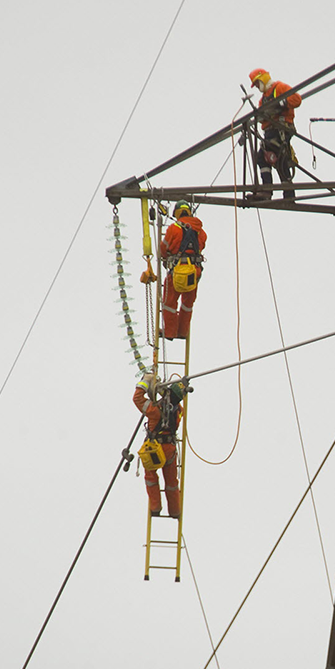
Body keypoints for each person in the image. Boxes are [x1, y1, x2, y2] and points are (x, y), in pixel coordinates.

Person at [133, 375, 188, 518]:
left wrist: (146, 381)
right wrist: (161, 390)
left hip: (155, 449)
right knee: (171, 482)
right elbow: (173, 401)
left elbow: (137, 399)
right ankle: (175, 511)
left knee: (151, 477)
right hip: (170, 450)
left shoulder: (155, 411)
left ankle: (155, 507)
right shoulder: (179, 411)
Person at [248, 68, 302, 200]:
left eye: (257, 83)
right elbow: (262, 119)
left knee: (273, 157)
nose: (257, 87)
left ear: (263, 79)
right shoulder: (263, 100)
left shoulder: (280, 88)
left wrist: (283, 102)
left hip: (281, 129)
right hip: (270, 132)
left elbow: (297, 99)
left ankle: (275, 193)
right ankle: (280, 193)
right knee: (269, 158)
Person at [160, 200, 207, 340]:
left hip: (178, 270)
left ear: (177, 213)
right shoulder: (200, 231)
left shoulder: (173, 229)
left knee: (169, 302)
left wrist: (166, 258)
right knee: (188, 303)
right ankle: (182, 331)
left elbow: (164, 248)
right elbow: (202, 245)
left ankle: (170, 332)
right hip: (194, 271)